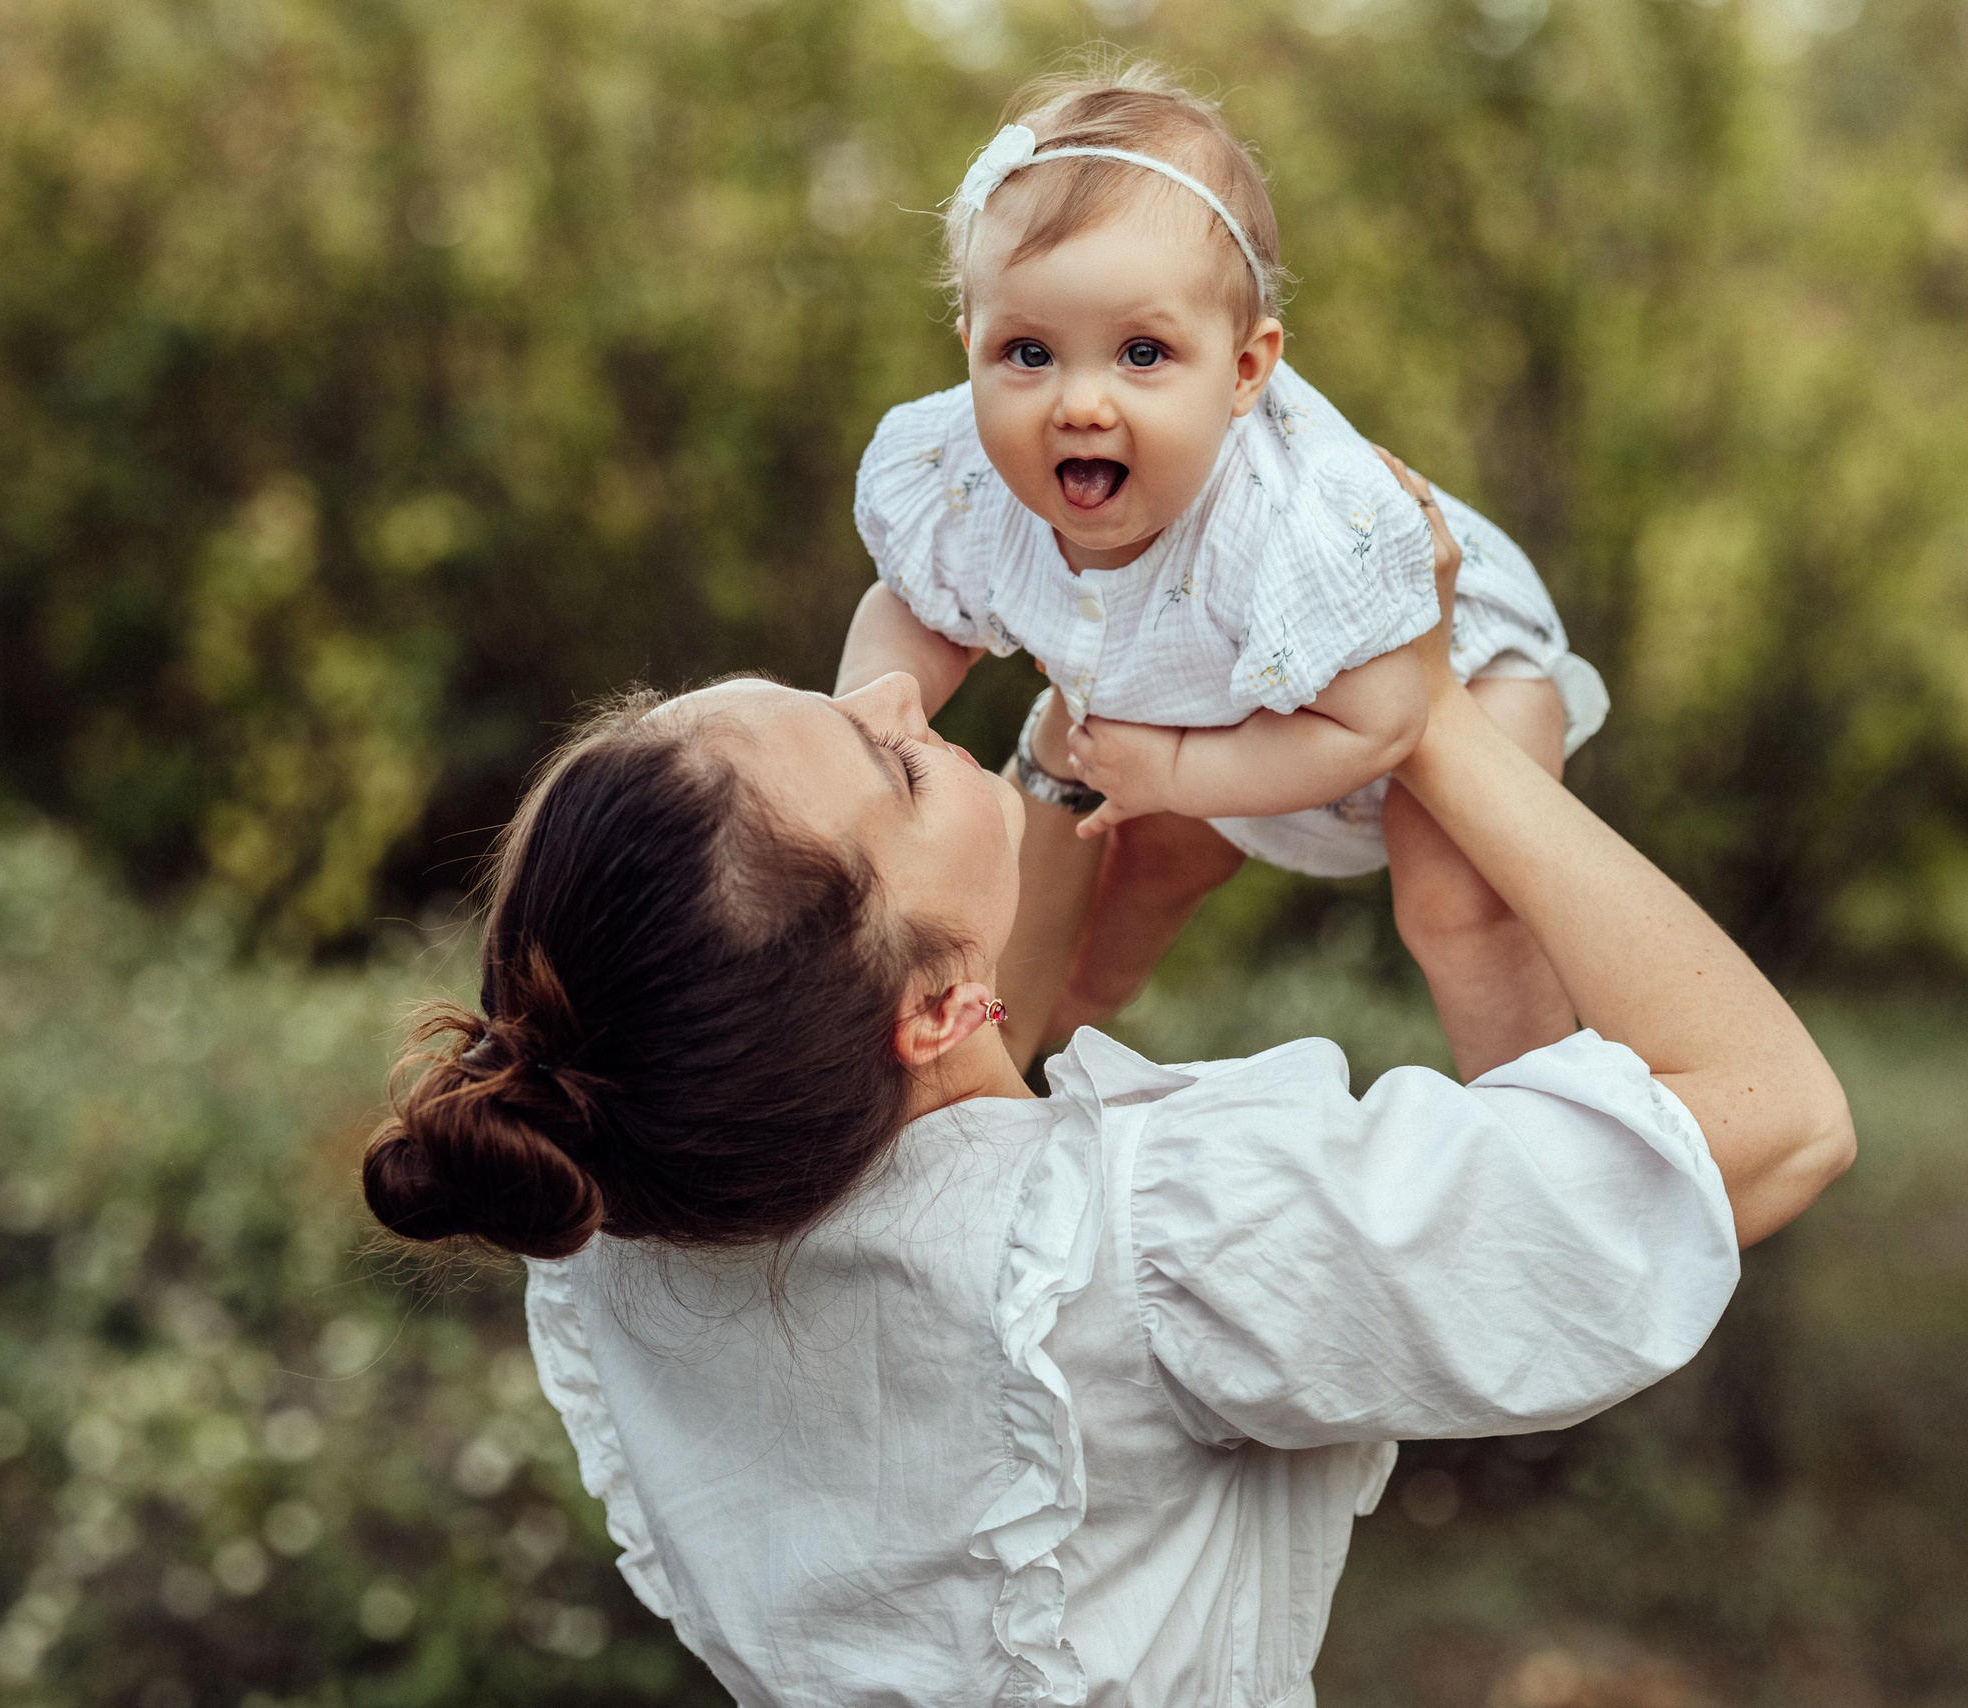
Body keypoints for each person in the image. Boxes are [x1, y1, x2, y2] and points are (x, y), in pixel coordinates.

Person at [361, 459, 1855, 1706]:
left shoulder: (633, 1197)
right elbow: (1774, 1124)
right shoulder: (1166, 1242)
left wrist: (1076, 744)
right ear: (931, 1009)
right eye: (889, 767)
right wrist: (1430, 721)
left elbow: (1007, 1050)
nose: (896, 698)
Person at [838, 59, 1609, 1079]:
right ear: (970, 341)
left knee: (1459, 904)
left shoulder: (1286, 523)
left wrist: (1176, 773)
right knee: (1129, 879)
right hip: (1235, 724)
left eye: (1142, 354)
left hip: (1443, 679)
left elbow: (1385, 717)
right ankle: (1024, 1058)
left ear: (1245, 370)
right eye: (1028, 352)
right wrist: (873, 707)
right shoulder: (970, 483)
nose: (1078, 402)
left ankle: (1538, 1132)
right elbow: (915, 606)